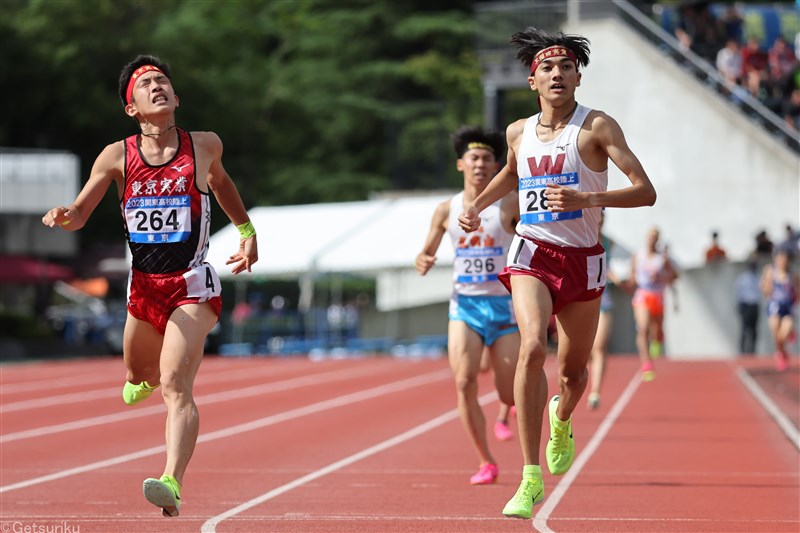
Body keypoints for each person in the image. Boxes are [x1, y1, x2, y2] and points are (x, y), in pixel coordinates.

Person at [42, 55, 258, 517]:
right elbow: (81, 212)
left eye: (164, 81)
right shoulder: (116, 155)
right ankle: (139, 378)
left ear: (176, 98)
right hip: (142, 290)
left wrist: (245, 231)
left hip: (191, 286)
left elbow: (221, 185)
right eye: (147, 84)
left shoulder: (204, 146)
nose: (158, 87)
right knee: (139, 376)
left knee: (176, 385)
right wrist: (67, 215)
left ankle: (171, 482)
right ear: (132, 108)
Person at [458, 28, 656, 519]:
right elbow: (511, 171)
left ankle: (562, 417)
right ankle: (529, 478)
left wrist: (589, 198)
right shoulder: (517, 131)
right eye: (547, 68)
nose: (557, 74)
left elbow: (644, 190)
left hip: (582, 258)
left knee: (572, 371)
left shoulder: (598, 127)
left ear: (577, 76)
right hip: (532, 250)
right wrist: (479, 206)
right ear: (533, 81)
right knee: (531, 345)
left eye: (566, 67)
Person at [416, 126, 520, 486]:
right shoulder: (446, 209)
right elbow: (426, 251)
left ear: (496, 167)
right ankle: (486, 461)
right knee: (464, 382)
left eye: (488, 159)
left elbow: (536, 237)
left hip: (504, 309)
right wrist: (423, 260)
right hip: (464, 307)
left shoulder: (509, 202)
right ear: (461, 164)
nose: (480, 164)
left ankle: (522, 408)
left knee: (509, 394)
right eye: (474, 158)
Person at [630, 227, 678, 380]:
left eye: (655, 237)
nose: (652, 240)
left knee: (656, 331)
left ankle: (657, 340)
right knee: (643, 328)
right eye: (650, 237)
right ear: (646, 238)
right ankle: (646, 363)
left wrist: (663, 276)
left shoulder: (662, 258)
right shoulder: (638, 256)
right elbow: (632, 277)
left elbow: (675, 276)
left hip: (658, 296)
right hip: (643, 295)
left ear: (658, 240)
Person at [587, 209, 620, 410]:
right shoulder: (580, 235)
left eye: (602, 216)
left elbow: (608, 268)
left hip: (603, 298)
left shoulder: (609, 241)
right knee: (584, 350)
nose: (599, 220)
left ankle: (595, 391)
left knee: (599, 346)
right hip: (580, 297)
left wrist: (619, 280)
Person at [760, 249, 799, 371]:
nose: (782, 261)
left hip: (787, 307)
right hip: (774, 306)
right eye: (780, 258)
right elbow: (764, 287)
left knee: (783, 334)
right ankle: (781, 354)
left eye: (785, 259)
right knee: (776, 333)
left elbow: (798, 289)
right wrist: (766, 287)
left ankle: (787, 338)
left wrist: (794, 301)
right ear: (776, 259)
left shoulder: (791, 274)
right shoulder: (770, 271)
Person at [735, 261, 761, 354]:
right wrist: (739, 307)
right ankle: (742, 349)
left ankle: (752, 349)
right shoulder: (743, 278)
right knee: (744, 329)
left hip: (754, 305)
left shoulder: (758, 277)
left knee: (754, 329)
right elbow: (739, 293)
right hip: (745, 305)